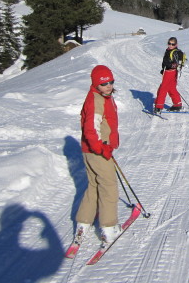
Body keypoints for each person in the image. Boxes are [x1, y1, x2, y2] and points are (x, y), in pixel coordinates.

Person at [73, 65, 121, 247]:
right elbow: (91, 129)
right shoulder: (96, 100)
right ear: (95, 84)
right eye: (103, 84)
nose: (108, 86)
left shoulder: (101, 96)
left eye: (110, 82)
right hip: (97, 150)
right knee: (109, 186)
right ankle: (109, 228)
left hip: (90, 150)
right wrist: (102, 148)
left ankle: (83, 222)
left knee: (94, 185)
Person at [154, 37, 186, 113]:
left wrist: (170, 66)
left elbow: (174, 63)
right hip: (172, 72)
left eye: (173, 44)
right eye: (169, 43)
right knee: (171, 88)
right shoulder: (169, 50)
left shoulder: (175, 52)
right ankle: (177, 104)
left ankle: (159, 106)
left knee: (163, 89)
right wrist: (163, 68)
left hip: (170, 72)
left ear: (176, 44)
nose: (170, 45)